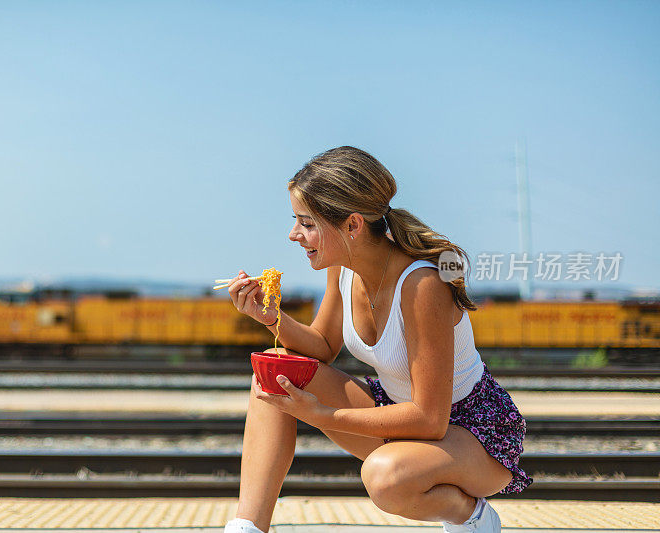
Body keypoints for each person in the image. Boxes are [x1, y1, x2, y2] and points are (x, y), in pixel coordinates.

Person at [223, 146, 532, 533]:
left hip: (472, 432)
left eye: (307, 222)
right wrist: (272, 319)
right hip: (400, 415)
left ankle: (470, 515)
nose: (294, 234)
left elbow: (429, 419)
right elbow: (321, 346)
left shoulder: (421, 285)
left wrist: (323, 416)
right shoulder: (342, 270)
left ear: (352, 225)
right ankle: (247, 528)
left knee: (384, 478)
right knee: (274, 371)